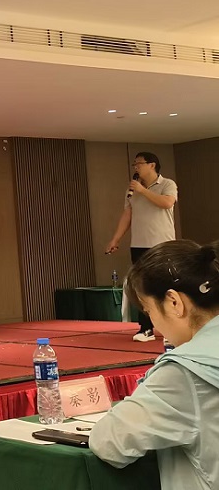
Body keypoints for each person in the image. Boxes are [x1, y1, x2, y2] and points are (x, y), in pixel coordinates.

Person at [89, 239, 219, 490]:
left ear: (174, 302)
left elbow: (110, 442)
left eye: (149, 311)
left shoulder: (184, 373)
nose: (155, 326)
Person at [105, 152, 177, 342]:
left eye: (139, 164)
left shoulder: (167, 184)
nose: (136, 167)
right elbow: (127, 215)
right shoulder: (132, 190)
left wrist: (143, 191)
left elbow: (167, 203)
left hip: (162, 244)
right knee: (141, 287)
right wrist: (115, 239)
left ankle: (172, 328)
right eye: (134, 165)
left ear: (152, 165)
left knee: (164, 285)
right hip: (138, 245)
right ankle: (146, 328)